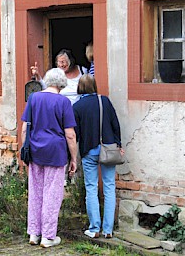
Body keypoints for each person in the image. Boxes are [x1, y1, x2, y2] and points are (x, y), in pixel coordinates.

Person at [21, 68, 78, 248]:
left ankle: (33, 233)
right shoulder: (64, 102)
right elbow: (70, 134)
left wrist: (24, 149)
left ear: (46, 80)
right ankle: (48, 236)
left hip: (35, 151)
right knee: (52, 195)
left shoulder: (34, 98)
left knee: (36, 193)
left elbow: (24, 128)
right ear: (61, 84)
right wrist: (74, 158)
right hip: (55, 152)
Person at [72, 74, 124, 239]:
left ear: (80, 88)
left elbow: (76, 134)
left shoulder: (77, 106)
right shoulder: (105, 101)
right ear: (94, 86)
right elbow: (115, 124)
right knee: (109, 188)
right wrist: (119, 145)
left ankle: (94, 228)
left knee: (91, 188)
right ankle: (108, 230)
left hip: (89, 152)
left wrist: (72, 155)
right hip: (108, 150)